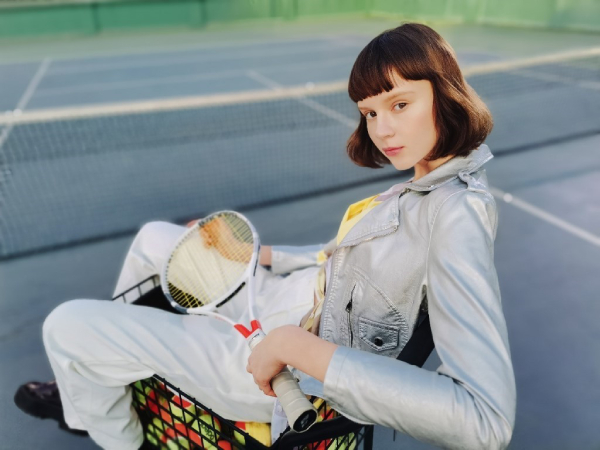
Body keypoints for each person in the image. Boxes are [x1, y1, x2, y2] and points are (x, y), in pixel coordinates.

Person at [15, 23, 516, 450]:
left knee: (67, 326)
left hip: (284, 368)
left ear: (445, 92)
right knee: (154, 239)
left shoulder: (458, 214)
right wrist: (260, 254)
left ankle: (114, 430)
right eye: (369, 112)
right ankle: (93, 391)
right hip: (288, 304)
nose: (382, 130)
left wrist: (297, 349)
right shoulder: (428, 181)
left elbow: (485, 421)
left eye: (399, 103)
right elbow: (343, 262)